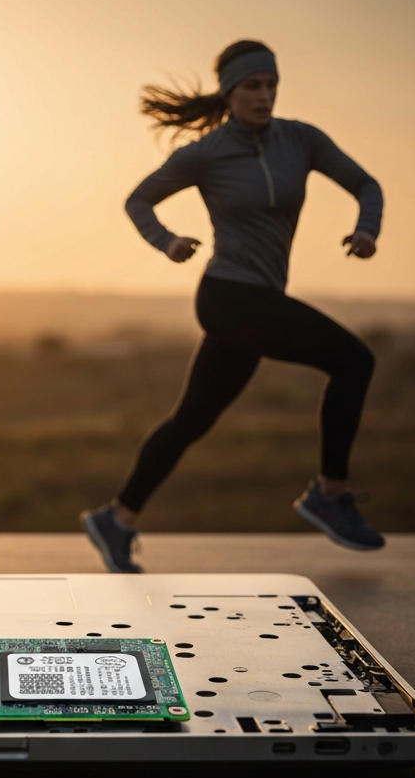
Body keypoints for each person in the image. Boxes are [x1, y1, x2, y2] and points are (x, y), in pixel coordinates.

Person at [82, 39, 384, 573]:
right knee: (354, 360)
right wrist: (168, 241)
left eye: (272, 85)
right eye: (253, 86)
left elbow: (366, 183)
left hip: (260, 301)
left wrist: (366, 230)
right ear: (231, 92)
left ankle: (117, 517)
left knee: (191, 420)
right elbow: (138, 199)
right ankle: (329, 495)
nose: (265, 95)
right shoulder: (208, 152)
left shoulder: (301, 140)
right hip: (227, 297)